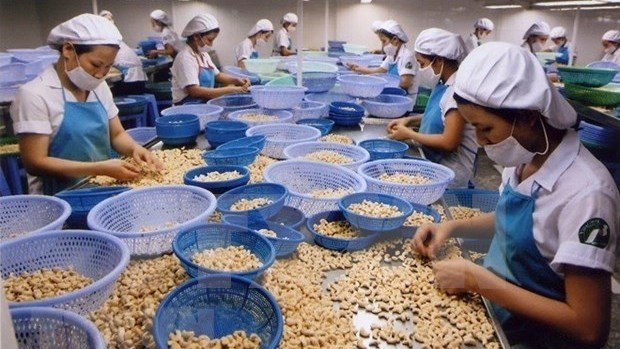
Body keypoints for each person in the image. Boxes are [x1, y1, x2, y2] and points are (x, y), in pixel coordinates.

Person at [412, 42, 619, 349]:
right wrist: (451, 227)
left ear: (528, 118)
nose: (481, 142)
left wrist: (478, 281)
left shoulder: (587, 194)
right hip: (500, 322)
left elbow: (589, 327)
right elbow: (516, 220)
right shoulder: (524, 155)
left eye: (486, 129)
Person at [10, 14, 160, 195]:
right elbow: (35, 162)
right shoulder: (36, 94)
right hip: (58, 200)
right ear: (68, 50)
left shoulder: (100, 87)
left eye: (108, 67)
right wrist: (98, 169)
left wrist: (136, 149)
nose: (100, 74)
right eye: (96, 64)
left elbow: (117, 134)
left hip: (100, 188)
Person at [387, 28, 477, 188]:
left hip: (451, 174)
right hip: (435, 163)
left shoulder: (457, 91)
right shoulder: (442, 83)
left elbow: (449, 142)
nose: (420, 69)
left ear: (439, 60)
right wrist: (409, 120)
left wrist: (408, 134)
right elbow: (441, 115)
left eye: (422, 63)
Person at [170, 14, 250, 105]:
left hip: (203, 103)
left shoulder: (203, 54)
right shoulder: (185, 58)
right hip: (187, 107)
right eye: (209, 40)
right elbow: (194, 91)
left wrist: (237, 80)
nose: (211, 45)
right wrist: (230, 90)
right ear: (196, 36)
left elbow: (217, 75)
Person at [348, 20, 419, 104]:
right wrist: (358, 69)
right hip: (393, 97)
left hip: (404, 101)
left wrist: (382, 83)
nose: (382, 46)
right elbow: (380, 70)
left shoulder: (407, 56)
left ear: (395, 39)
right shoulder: (391, 55)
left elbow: (405, 83)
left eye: (384, 41)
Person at [99, 10, 147, 95]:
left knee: (110, 94)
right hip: (138, 78)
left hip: (131, 80)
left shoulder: (110, 40)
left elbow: (105, 61)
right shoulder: (116, 39)